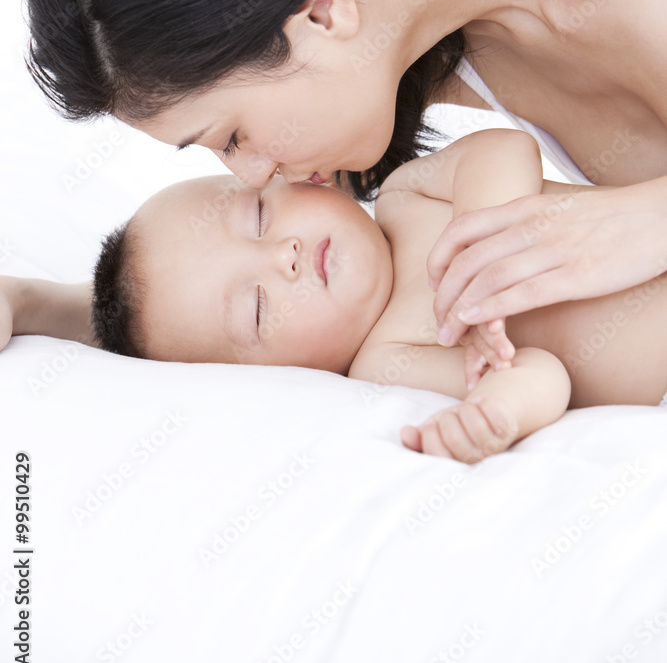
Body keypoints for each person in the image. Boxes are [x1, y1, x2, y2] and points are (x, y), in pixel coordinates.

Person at [17, 0, 667, 453]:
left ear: (321, 15)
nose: (257, 175)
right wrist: (31, 306)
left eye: (232, 137)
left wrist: (641, 220)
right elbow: (226, 312)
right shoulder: (432, 60)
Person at [7, 129, 662, 464]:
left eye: (260, 218)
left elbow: (504, 148)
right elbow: (544, 373)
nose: (283, 257)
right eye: (257, 306)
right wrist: (495, 410)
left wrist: (485, 251)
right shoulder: (390, 358)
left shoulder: (409, 196)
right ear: (286, 376)